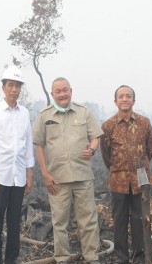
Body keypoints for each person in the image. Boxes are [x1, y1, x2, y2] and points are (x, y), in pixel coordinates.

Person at [32, 77, 102, 264]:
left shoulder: (83, 112)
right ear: (52, 93)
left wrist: (92, 149)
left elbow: (95, 137)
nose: (62, 94)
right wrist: (45, 174)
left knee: (88, 221)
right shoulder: (45, 115)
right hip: (57, 179)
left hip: (83, 176)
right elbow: (38, 145)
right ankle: (62, 258)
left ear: (71, 90)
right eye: (58, 91)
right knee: (59, 222)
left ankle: (91, 257)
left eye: (65, 90)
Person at [0, 66, 34, 264]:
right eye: (10, 85)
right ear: (3, 88)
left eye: (17, 86)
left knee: (14, 224)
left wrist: (29, 173)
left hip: (18, 177)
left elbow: (27, 143)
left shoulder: (24, 113)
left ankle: (11, 260)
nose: (14, 89)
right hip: (0, 177)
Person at [100, 85, 152, 264]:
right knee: (120, 220)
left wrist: (140, 167)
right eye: (121, 96)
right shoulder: (108, 126)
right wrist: (119, 168)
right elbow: (106, 155)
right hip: (118, 180)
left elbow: (150, 149)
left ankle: (140, 257)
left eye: (128, 96)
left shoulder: (144, 123)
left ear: (133, 100)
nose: (125, 99)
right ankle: (121, 258)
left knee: (139, 219)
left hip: (140, 179)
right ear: (115, 101)